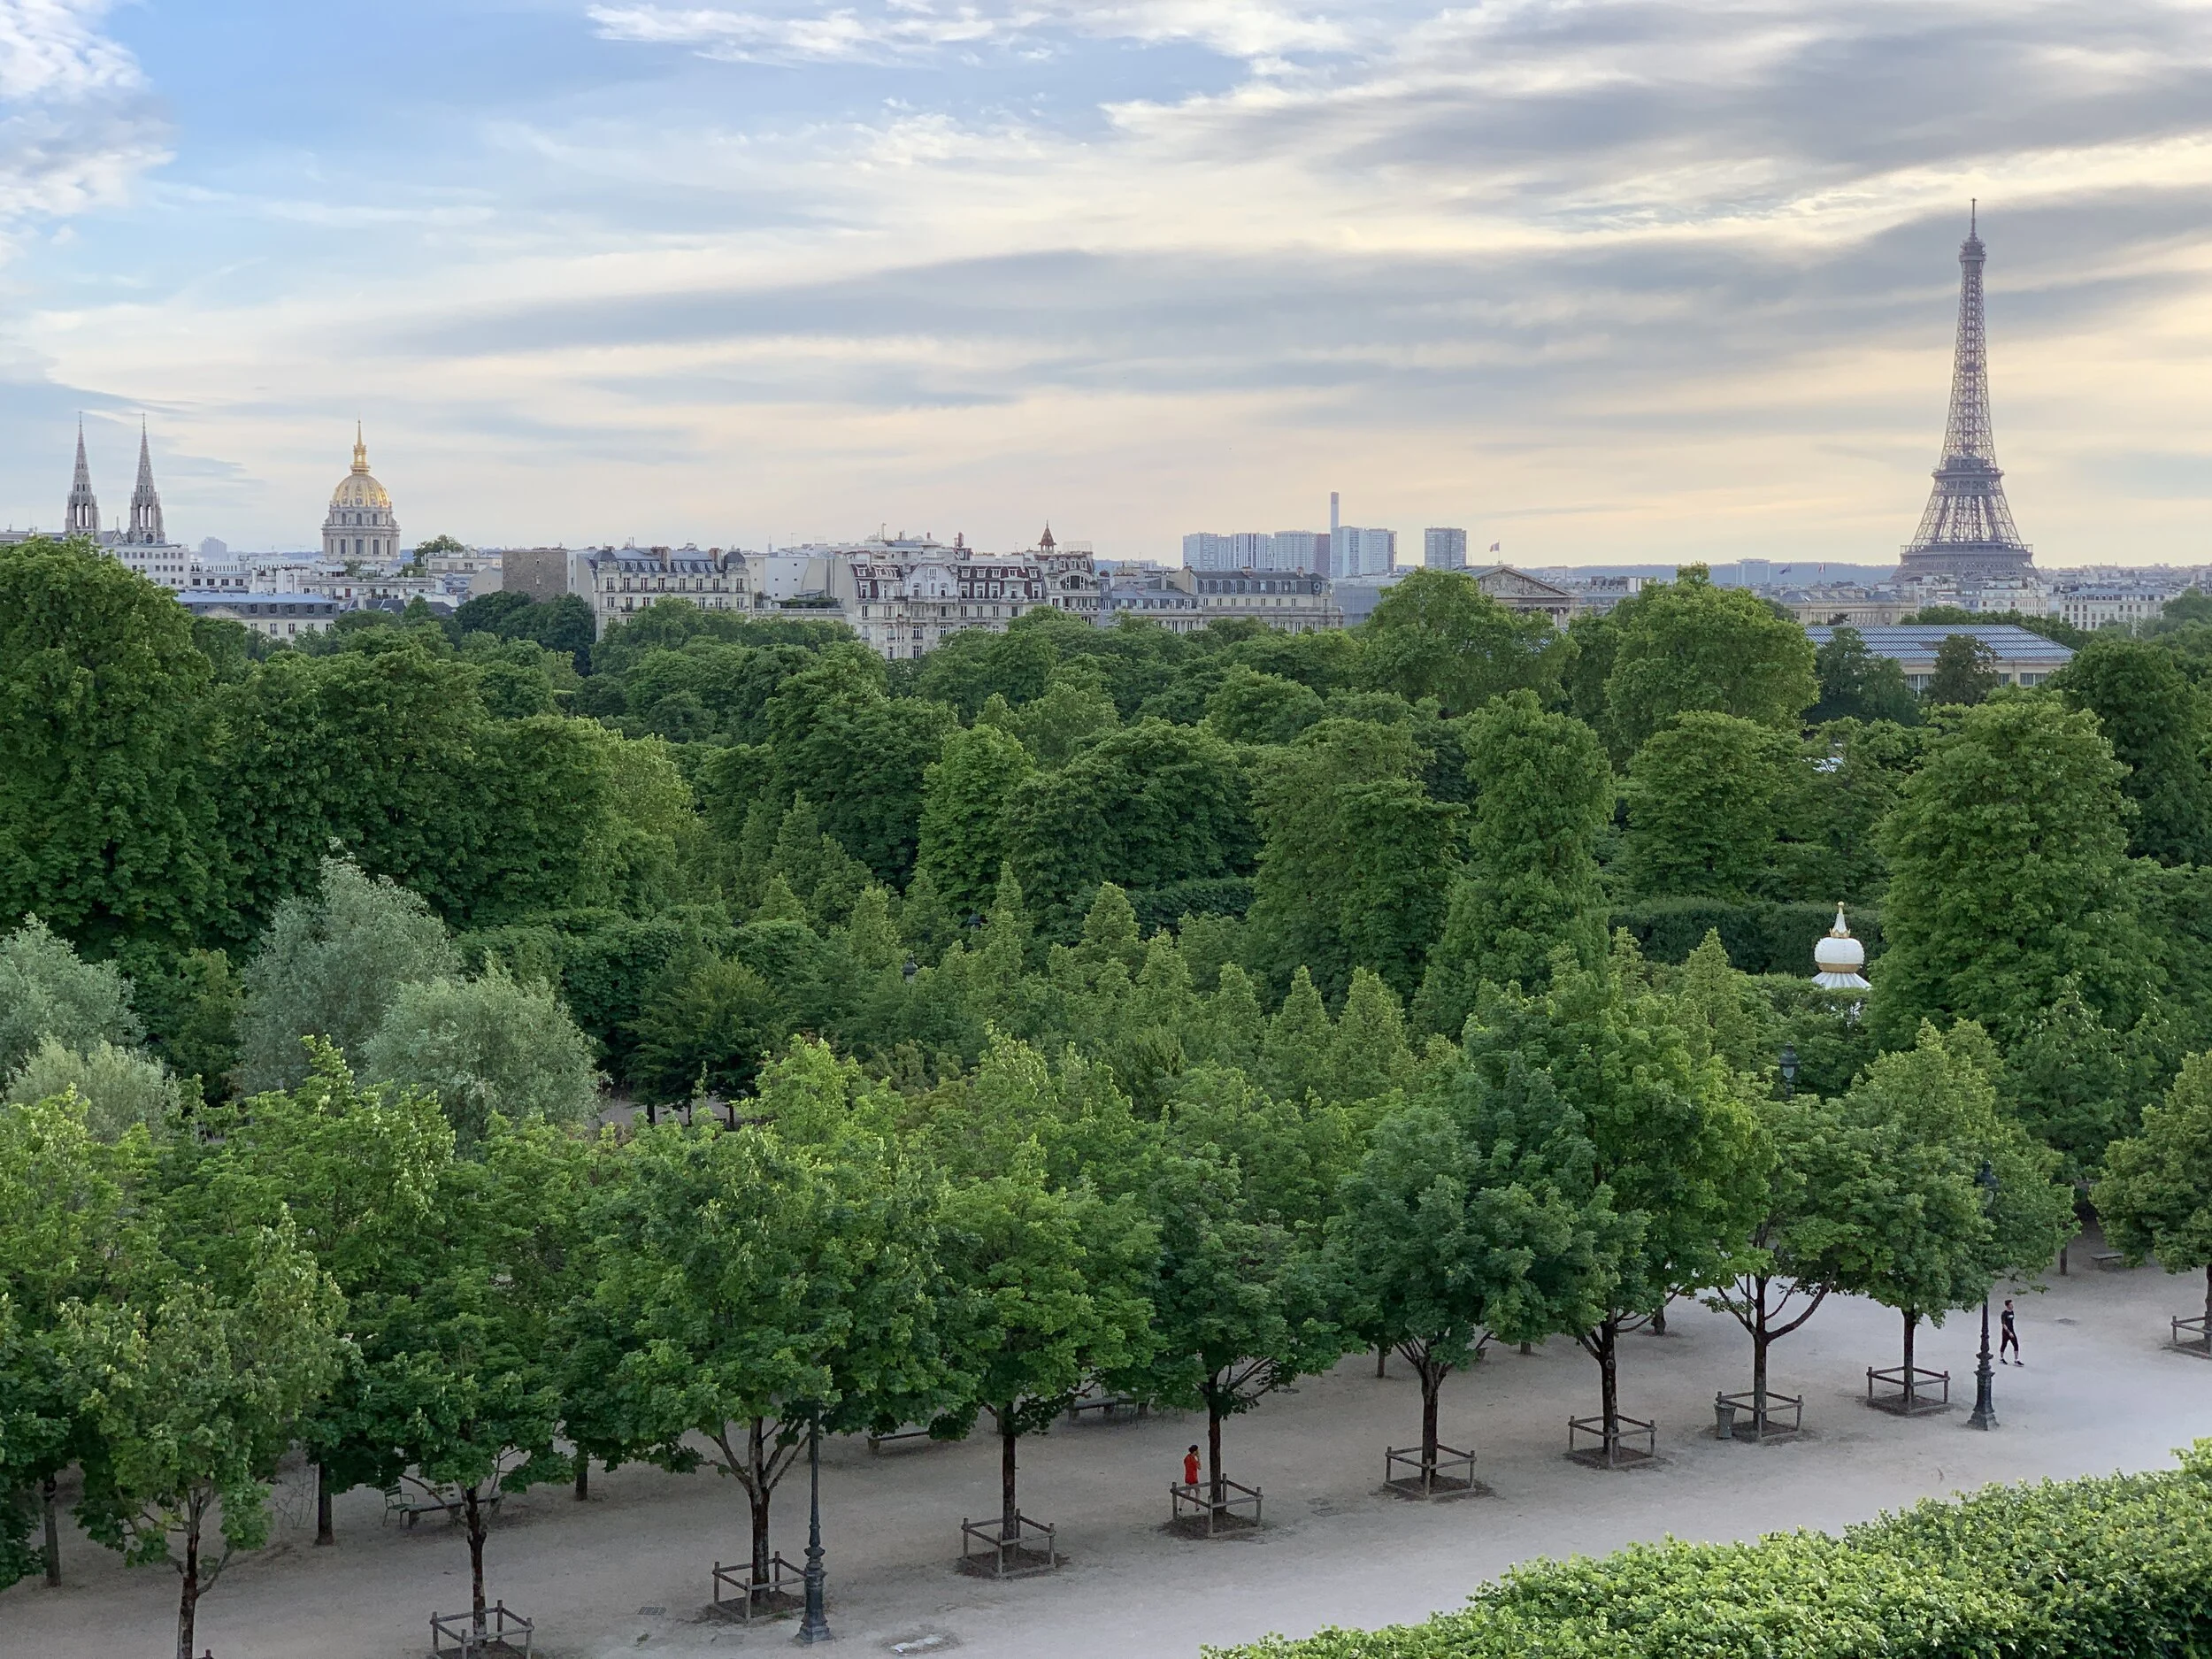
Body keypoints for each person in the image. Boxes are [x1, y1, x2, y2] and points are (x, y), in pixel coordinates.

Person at [1999, 1298, 2020, 1365]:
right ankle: (2001, 1358)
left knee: (2016, 1344)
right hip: (2006, 1332)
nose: (2012, 1306)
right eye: (2011, 1304)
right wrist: (2009, 1332)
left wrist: (2012, 1332)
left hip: (2012, 1330)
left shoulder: (2012, 1312)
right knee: (2004, 1344)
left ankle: (2016, 1359)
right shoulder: (2004, 1314)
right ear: (2007, 1306)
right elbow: (2003, 1324)